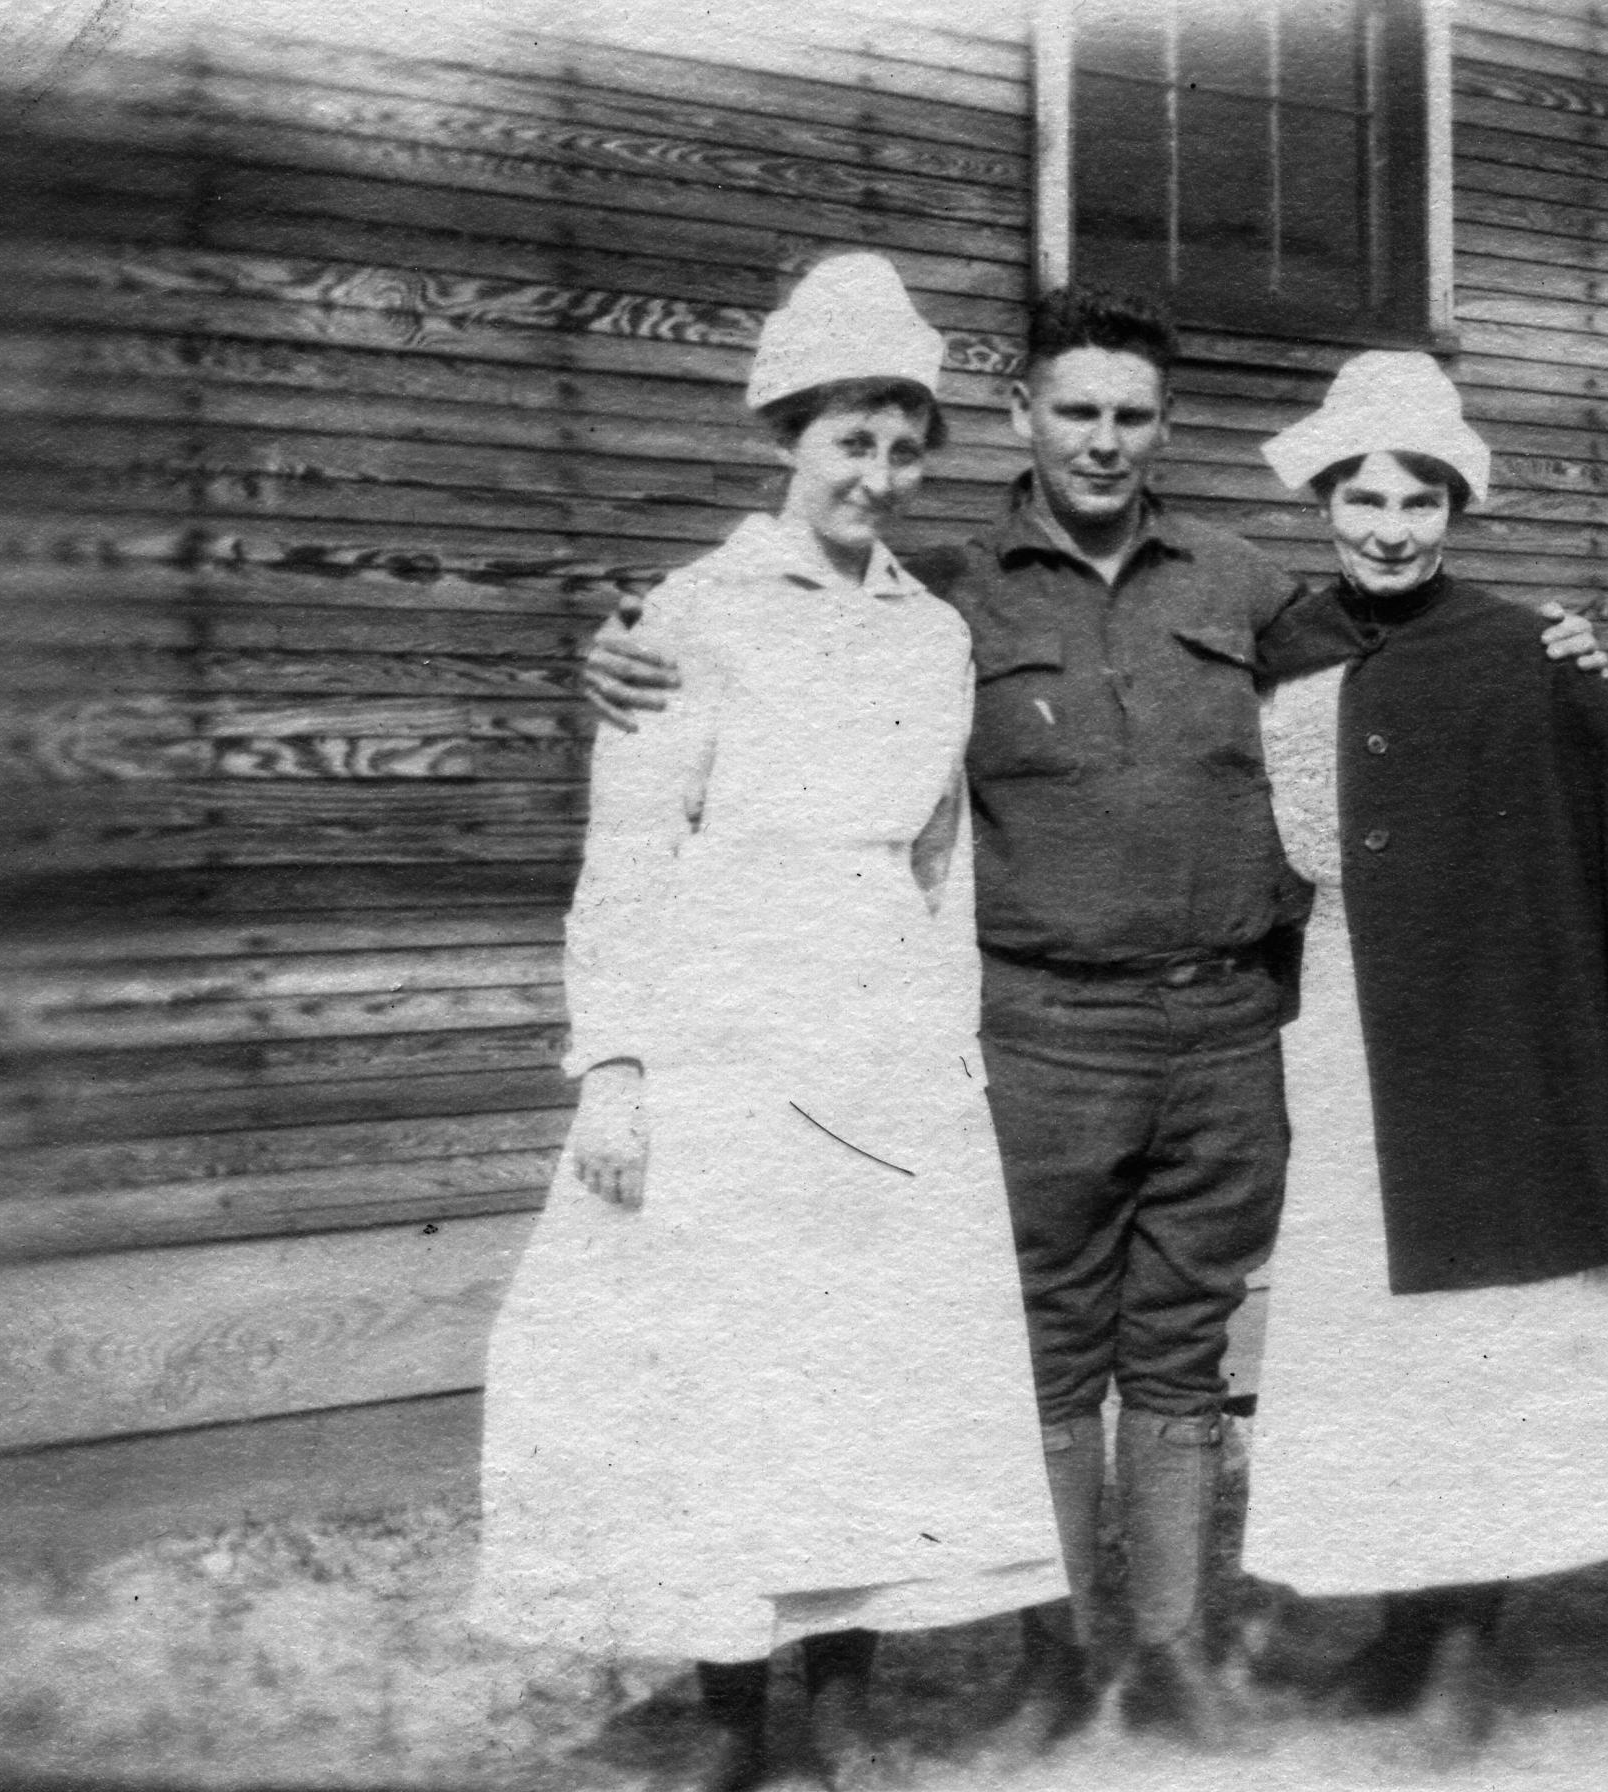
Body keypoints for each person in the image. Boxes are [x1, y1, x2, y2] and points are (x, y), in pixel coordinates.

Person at [578, 287, 1604, 1750]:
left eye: (1133, 414)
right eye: (1078, 411)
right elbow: (775, 645)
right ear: (1022, 420)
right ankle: (1052, 1661)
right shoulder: (937, 592)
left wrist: (1546, 648)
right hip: (1040, 1029)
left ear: (1164, 427)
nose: (1106, 441)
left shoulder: (1253, 591)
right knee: (1046, 1347)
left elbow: (1410, 655)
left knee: (1184, 1346)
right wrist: (619, 648)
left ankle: (1172, 1656)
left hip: (1226, 1026)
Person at [468, 253, 1066, 1792]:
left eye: (903, 445)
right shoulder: (691, 613)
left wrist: (946, 1057)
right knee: (729, 1369)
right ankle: (735, 1715)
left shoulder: (933, 632)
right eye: (846, 442)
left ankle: (849, 1706)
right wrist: (612, 1066)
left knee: (866, 1363)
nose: (876, 473)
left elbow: (941, 868)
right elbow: (628, 854)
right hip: (727, 1019)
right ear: (787, 442)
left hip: (880, 1039)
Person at [1236, 352, 1608, 1756]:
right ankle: (1397, 1633)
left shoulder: (1525, 650)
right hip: (1336, 1032)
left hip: (1491, 1049)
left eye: (1418, 499)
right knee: (1365, 1347)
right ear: (1324, 500)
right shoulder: (1283, 645)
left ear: (1455, 507)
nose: (1389, 527)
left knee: (1483, 1349)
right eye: (1362, 497)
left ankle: (1466, 1642)